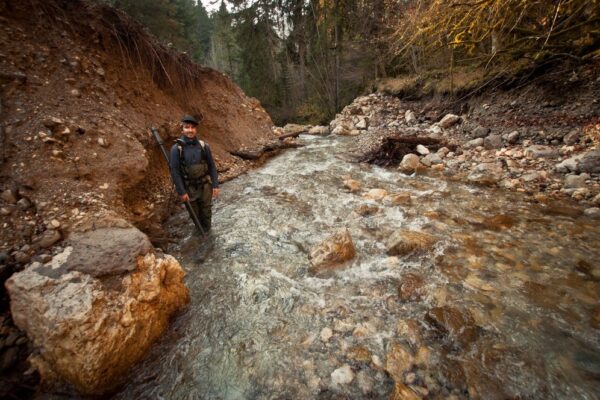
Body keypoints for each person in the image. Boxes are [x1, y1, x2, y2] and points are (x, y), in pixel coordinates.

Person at [170, 114, 220, 233]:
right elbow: (175, 172)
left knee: (207, 212)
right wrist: (182, 192)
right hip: (189, 188)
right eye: (187, 127)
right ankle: (200, 235)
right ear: (182, 129)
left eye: (193, 127)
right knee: (195, 215)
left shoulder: (203, 146)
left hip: (205, 187)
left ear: (195, 130)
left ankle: (208, 235)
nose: (190, 130)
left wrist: (215, 185)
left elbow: (212, 166)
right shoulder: (176, 149)